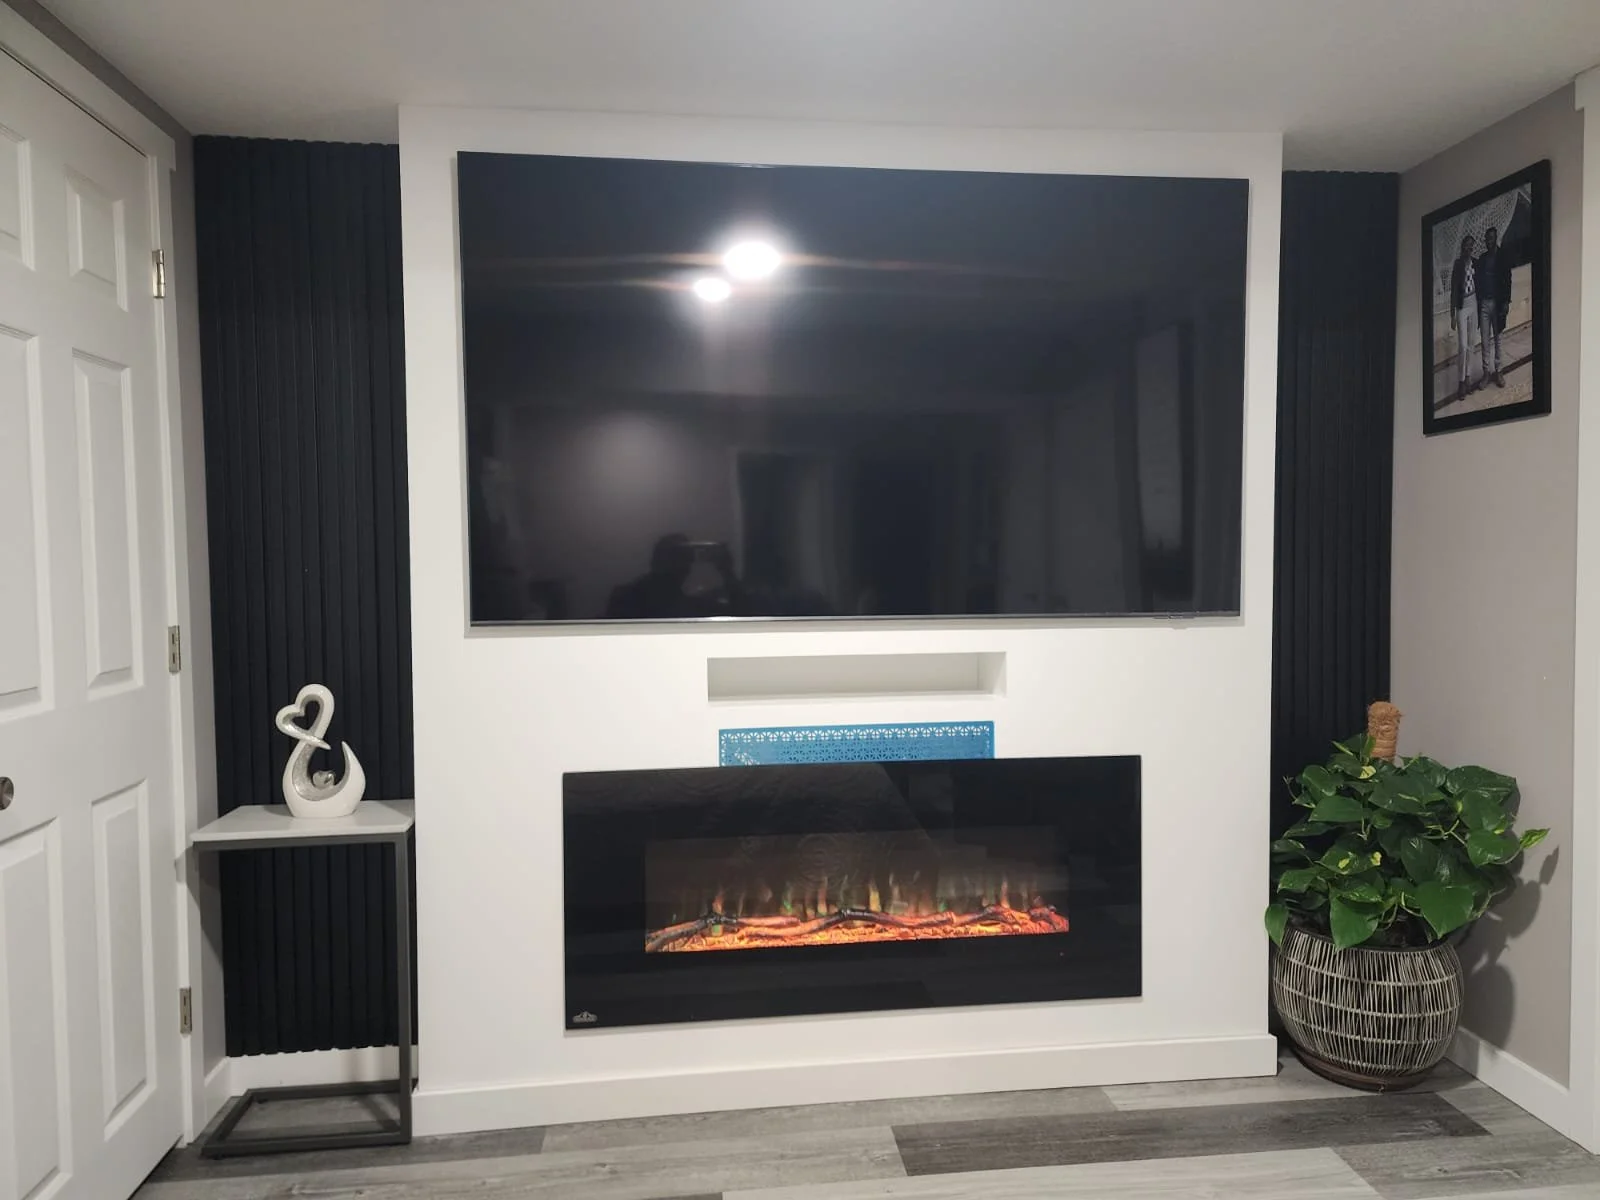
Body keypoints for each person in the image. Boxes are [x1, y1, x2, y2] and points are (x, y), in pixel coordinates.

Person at [1474, 226, 1513, 389]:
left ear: (1496, 239)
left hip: (1497, 304)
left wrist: (1505, 303)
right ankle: (1485, 373)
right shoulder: (1482, 259)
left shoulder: (1503, 256)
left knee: (1497, 339)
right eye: (1487, 239)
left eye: (1492, 238)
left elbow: (1508, 280)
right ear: (1485, 241)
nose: (1489, 241)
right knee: (1484, 341)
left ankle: (1499, 371)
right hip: (1484, 304)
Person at [1448, 233, 1478, 402]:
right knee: (1462, 345)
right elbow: (1453, 290)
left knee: (1472, 343)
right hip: (1462, 306)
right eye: (1466, 245)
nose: (1469, 248)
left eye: (1471, 245)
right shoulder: (1458, 264)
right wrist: (1452, 314)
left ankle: (1468, 377)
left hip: (1474, 303)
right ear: (1462, 247)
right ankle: (1460, 382)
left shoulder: (1475, 262)